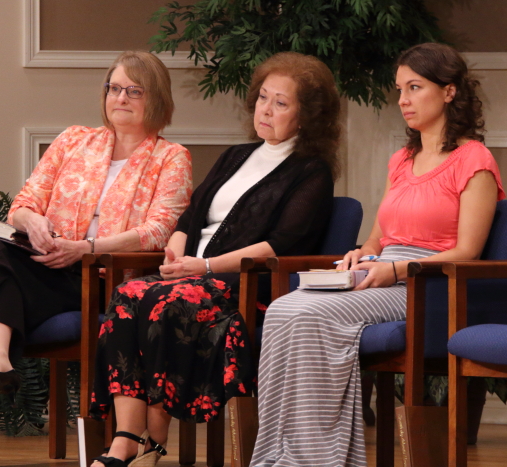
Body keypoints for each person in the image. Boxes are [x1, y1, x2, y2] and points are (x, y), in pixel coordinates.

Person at [0, 51, 192, 467]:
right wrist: (34, 226)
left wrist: (85, 248)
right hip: (48, 266)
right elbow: (23, 204)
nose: (120, 97)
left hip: (106, 278)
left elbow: (156, 231)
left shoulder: (170, 157)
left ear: (155, 98)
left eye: (133, 90)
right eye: (114, 88)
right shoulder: (73, 140)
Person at [250, 42, 505, 467]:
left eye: (415, 87)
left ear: (449, 91)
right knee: (281, 310)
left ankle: (316, 458)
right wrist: (360, 254)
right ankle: (276, 455)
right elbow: (376, 238)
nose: (403, 100)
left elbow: (467, 252)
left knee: (309, 315)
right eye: (399, 89)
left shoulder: (473, 159)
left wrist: (397, 268)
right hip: (378, 271)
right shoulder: (401, 160)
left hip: (425, 282)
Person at [89, 51, 340, 467]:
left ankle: (148, 443)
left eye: (281, 102)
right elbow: (191, 215)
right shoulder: (236, 155)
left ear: (307, 115)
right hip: (191, 276)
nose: (266, 109)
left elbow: (280, 246)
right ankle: (126, 439)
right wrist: (177, 248)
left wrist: (203, 267)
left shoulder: (312, 172)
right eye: (263, 98)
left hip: (242, 290)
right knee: (128, 295)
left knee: (161, 302)